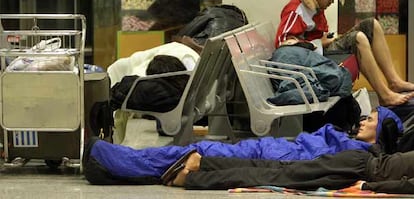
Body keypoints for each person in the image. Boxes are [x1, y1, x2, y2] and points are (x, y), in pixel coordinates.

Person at [83, 106, 402, 185]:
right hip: (270, 150)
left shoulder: (357, 155)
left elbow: (301, 165)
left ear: (381, 134)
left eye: (370, 119)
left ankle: (110, 161)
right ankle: (121, 161)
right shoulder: (349, 143)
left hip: (268, 156)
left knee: (190, 153)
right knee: (190, 151)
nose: (362, 121)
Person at [160, 108, 414, 194]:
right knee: (277, 177)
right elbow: (406, 185)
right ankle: (194, 174)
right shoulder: (370, 150)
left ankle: (203, 164)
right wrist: (370, 188)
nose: (362, 123)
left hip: (357, 163)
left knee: (277, 171)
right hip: (359, 169)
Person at [274, 0, 414, 106]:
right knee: (358, 38)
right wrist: (319, 43)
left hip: (321, 51)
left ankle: (394, 81)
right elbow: (283, 45)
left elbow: (319, 35)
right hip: (315, 60)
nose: (331, 2)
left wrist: (326, 39)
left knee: (372, 25)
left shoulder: (316, 7)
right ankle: (385, 96)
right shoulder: (296, 10)